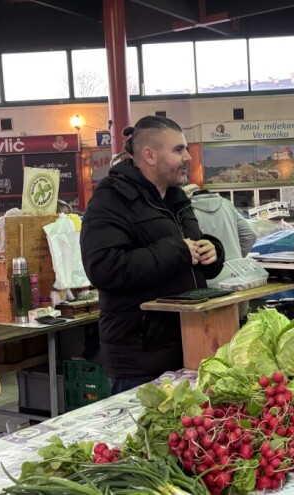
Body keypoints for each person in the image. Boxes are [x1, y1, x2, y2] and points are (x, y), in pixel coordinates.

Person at [80, 116, 225, 394]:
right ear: (149, 155)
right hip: (140, 360)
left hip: (189, 345)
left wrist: (212, 251)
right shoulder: (110, 201)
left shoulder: (176, 198)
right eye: (179, 150)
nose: (188, 157)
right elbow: (104, 268)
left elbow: (190, 252)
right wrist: (178, 251)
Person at [182, 184, 257, 287]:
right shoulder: (226, 204)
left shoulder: (185, 210)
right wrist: (236, 258)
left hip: (209, 280)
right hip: (238, 275)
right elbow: (250, 234)